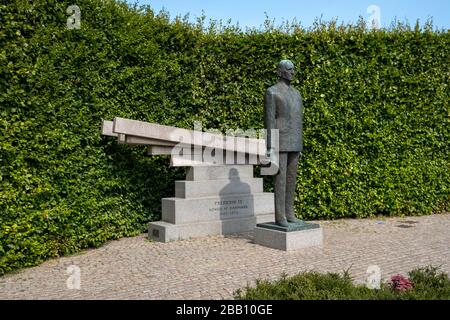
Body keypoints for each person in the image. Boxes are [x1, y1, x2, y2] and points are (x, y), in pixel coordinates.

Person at [264, 60, 304, 227]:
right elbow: (269, 120)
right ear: (280, 71)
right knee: (280, 180)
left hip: (294, 141)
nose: (292, 72)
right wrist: (270, 146)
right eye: (289, 69)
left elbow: (298, 120)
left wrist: (299, 144)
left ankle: (290, 213)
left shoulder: (297, 93)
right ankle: (280, 216)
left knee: (291, 179)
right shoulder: (272, 92)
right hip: (279, 141)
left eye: (293, 69)